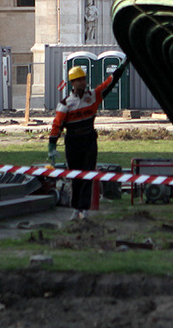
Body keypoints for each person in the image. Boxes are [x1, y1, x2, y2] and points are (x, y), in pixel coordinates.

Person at [48, 62, 129, 220]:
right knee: (75, 176)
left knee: (88, 175)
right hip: (73, 142)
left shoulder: (93, 96)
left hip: (89, 140)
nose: (83, 83)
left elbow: (109, 83)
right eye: (79, 80)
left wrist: (122, 67)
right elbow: (57, 125)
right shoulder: (65, 104)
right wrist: (52, 145)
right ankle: (75, 208)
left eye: (84, 79)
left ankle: (83, 209)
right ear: (72, 83)